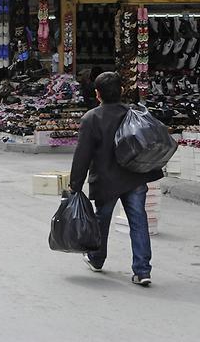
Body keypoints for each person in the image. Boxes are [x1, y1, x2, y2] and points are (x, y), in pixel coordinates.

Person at [69, 71, 162, 287]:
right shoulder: (135, 113)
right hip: (134, 178)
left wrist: (75, 185)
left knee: (102, 221)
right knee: (138, 222)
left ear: (97, 94)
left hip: (106, 181)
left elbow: (82, 155)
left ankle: (97, 259)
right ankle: (142, 270)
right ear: (122, 91)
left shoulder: (91, 118)